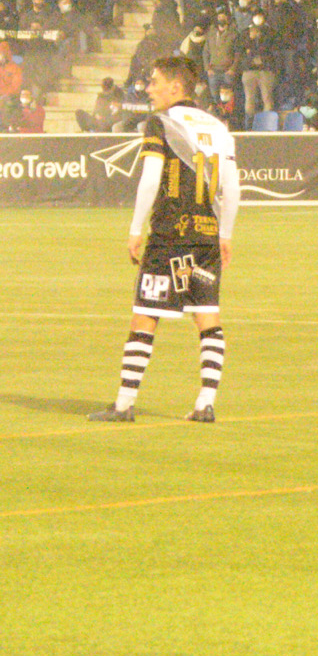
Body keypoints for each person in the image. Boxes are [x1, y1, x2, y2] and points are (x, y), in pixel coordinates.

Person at [89, 55, 241, 423]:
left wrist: (135, 228)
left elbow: (150, 178)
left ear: (176, 87)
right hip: (206, 234)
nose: (149, 88)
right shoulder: (219, 127)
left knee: (144, 317)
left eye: (155, 81)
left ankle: (124, 405)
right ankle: (206, 403)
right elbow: (233, 187)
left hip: (169, 235)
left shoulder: (160, 123)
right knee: (207, 316)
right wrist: (225, 234)